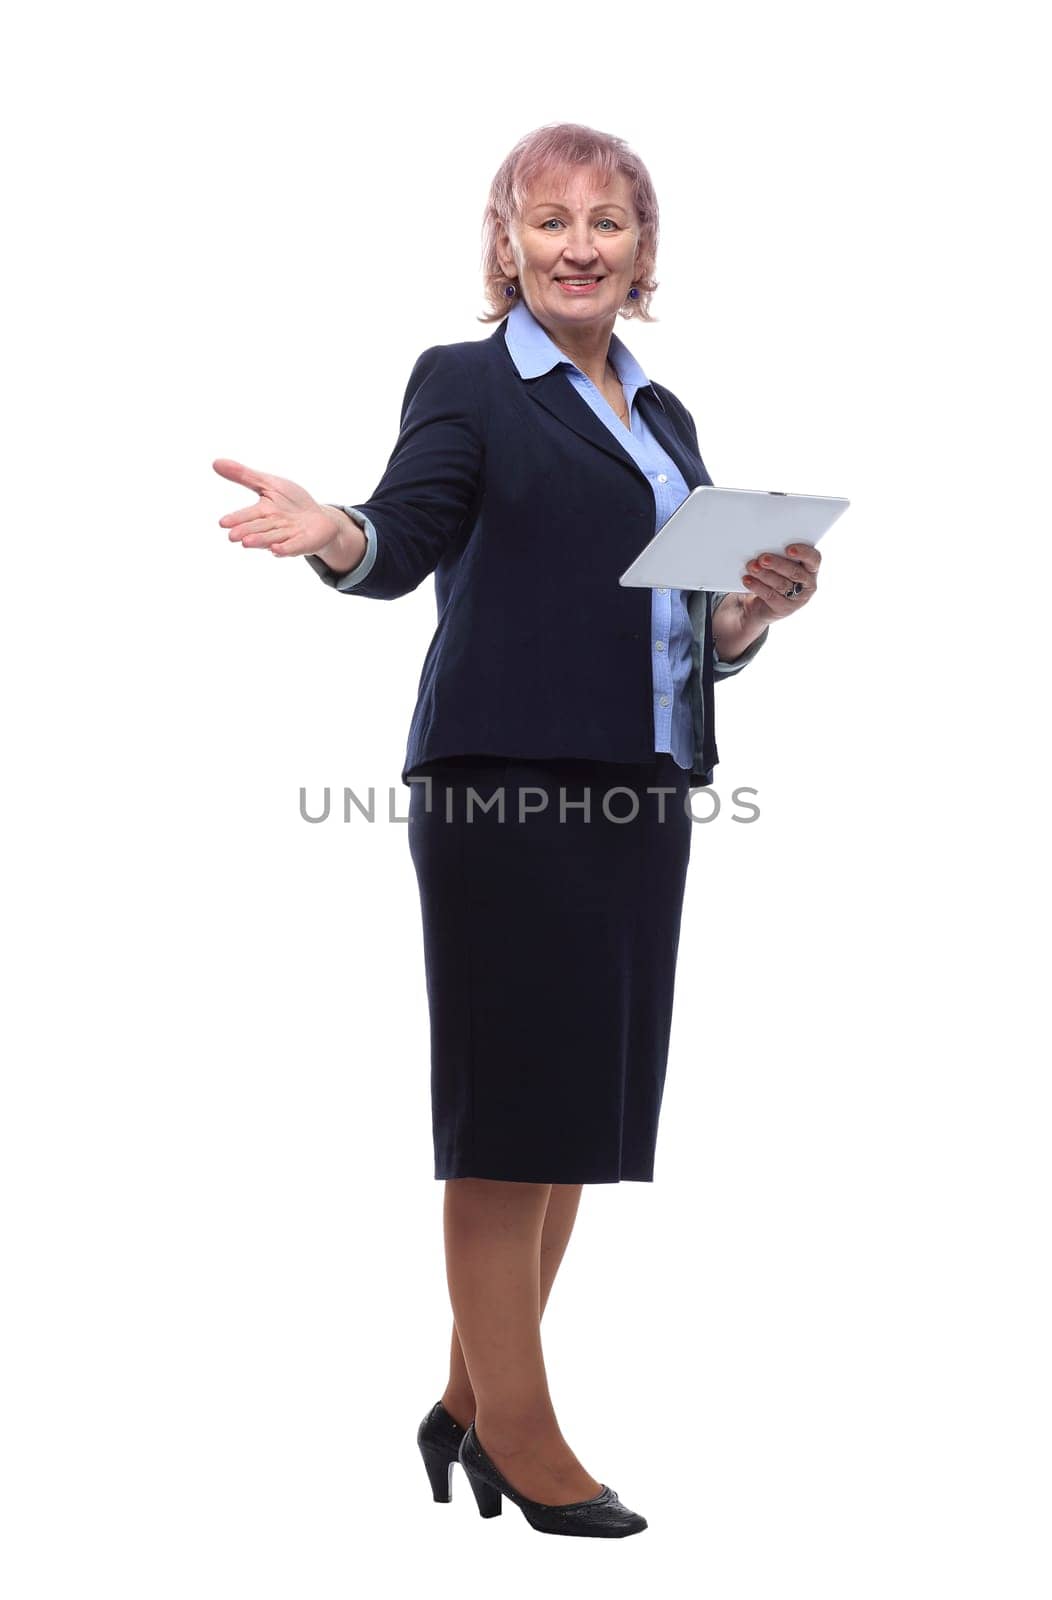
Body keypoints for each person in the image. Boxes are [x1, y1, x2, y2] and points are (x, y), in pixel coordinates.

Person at [213, 121, 822, 1538]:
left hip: (643, 787)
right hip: (506, 788)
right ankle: (527, 1443)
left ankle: (465, 1402)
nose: (580, 246)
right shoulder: (468, 383)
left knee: (572, 1115)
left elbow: (682, 622)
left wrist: (748, 613)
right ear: (507, 245)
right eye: (550, 222)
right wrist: (337, 535)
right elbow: (404, 538)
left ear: (643, 252)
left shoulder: (663, 419)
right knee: (507, 1121)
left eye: (608, 223)